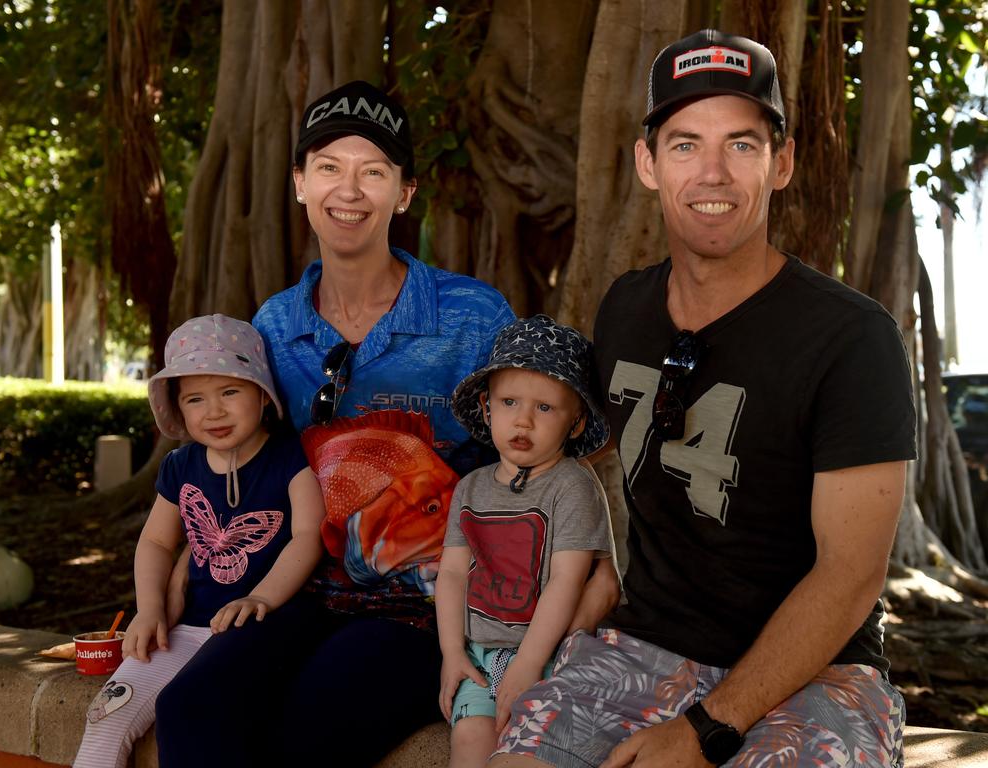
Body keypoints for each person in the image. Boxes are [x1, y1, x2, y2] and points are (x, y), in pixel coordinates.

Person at [154, 81, 622, 767]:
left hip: (430, 602)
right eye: (329, 168)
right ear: (299, 184)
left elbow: (539, 446)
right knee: (190, 707)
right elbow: (245, 463)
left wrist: (594, 571)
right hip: (297, 588)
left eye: (373, 171)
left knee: (314, 723)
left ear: (404, 193)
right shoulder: (274, 326)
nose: (350, 190)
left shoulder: (471, 315)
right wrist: (181, 567)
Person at [491, 29, 916, 768]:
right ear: (646, 164)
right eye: (685, 144)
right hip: (643, 646)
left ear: (782, 163)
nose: (712, 173)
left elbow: (851, 576)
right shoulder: (626, 308)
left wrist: (707, 728)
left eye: (742, 146)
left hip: (821, 671)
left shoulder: (852, 339)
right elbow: (586, 451)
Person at [74, 314, 324, 768]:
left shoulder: (291, 456)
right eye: (195, 399)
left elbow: (308, 536)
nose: (214, 411)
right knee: (106, 713)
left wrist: (262, 596)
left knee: (200, 709)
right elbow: (154, 542)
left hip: (264, 621)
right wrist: (150, 608)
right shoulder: (181, 465)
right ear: (179, 408)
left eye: (230, 392)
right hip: (185, 626)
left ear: (263, 396)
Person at [436, 315, 613, 768]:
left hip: (547, 652)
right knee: (470, 745)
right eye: (510, 401)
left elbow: (565, 581)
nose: (524, 420)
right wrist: (452, 653)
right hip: (477, 650)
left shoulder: (570, 486)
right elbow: (453, 573)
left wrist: (530, 664)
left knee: (519, 749)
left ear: (575, 424)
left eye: (545, 408)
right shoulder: (470, 488)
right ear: (488, 406)